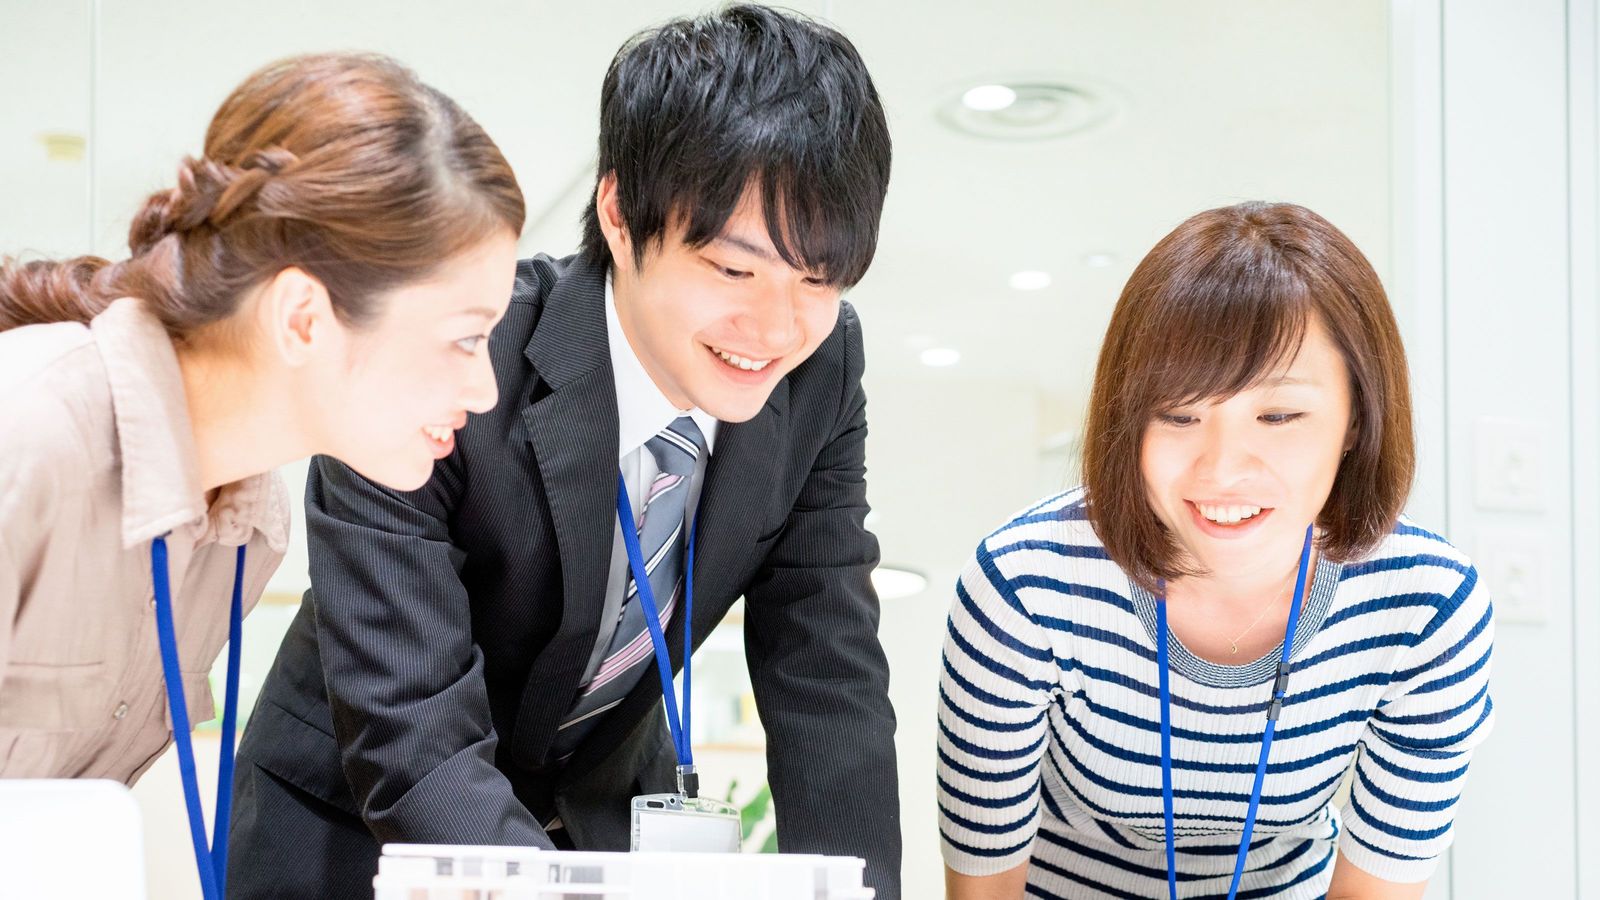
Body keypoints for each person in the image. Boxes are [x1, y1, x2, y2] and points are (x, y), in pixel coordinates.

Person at [226, 6, 901, 898]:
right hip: (357, 822)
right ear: (620, 216)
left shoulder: (821, 370)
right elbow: (411, 723)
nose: (776, 329)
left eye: (818, 280)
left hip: (605, 820)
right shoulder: (457, 358)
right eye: (734, 271)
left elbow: (827, 671)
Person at [0, 52, 523, 899]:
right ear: (304, 318)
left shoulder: (245, 528)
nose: (486, 388)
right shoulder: (27, 436)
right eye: (466, 338)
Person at [938, 202, 1493, 899]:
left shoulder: (1425, 607)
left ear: (1357, 418)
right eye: (1178, 414)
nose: (1222, 468)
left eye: (1280, 415)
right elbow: (984, 888)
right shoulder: (1025, 584)